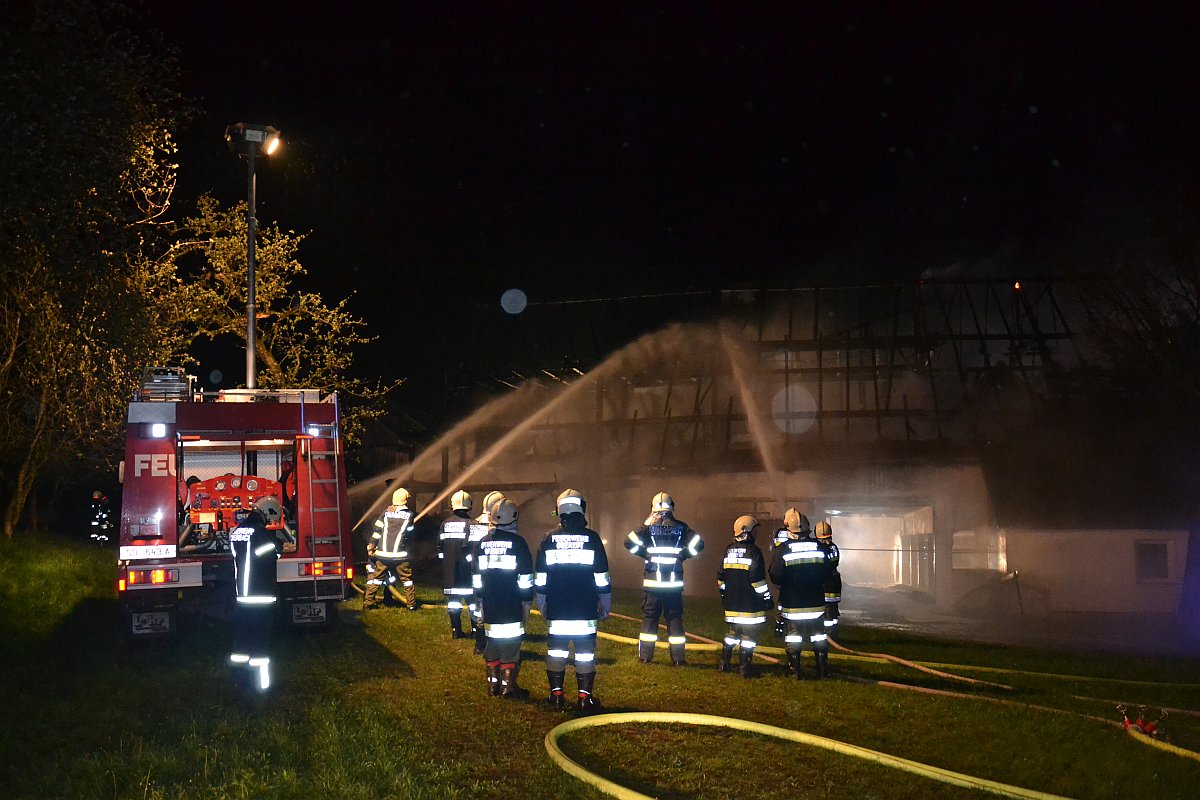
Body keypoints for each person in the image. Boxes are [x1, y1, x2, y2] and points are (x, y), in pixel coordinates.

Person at [535, 489, 611, 712]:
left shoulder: (548, 539)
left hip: (557, 608)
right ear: (582, 509)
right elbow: (602, 577)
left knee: (556, 652)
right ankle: (584, 698)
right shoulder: (593, 539)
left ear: (560, 512)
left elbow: (541, 577)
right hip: (585, 609)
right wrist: (605, 604)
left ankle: (556, 695)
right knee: (585, 654)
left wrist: (542, 603)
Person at [624, 491, 703, 665]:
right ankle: (678, 659)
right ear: (672, 507)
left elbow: (629, 542)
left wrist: (645, 553)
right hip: (673, 585)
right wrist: (684, 555)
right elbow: (699, 543)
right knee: (674, 620)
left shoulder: (649, 529)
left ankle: (645, 657)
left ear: (653, 509)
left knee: (649, 621)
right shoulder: (681, 527)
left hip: (653, 585)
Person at [472, 497, 534, 698]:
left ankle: (492, 686)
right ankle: (508, 687)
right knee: (511, 645)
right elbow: (525, 578)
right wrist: (526, 603)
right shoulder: (519, 543)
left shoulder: (482, 544)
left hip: (489, 603)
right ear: (515, 517)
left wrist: (480, 601)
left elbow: (476, 577)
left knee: (492, 644)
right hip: (512, 603)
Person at [229, 496, 289, 692]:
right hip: (260, 597)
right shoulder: (260, 534)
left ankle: (238, 681)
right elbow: (270, 554)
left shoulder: (238, 532)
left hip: (242, 597)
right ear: (268, 512)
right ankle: (262, 686)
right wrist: (279, 545)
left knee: (241, 642)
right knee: (260, 646)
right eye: (271, 519)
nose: (270, 524)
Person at [769, 507, 834, 680]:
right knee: (819, 636)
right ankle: (822, 670)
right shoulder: (819, 547)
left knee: (794, 637)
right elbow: (828, 572)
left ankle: (794, 672)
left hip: (793, 604)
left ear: (789, 529)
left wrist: (787, 585)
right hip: (816, 603)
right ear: (807, 529)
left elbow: (775, 575)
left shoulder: (783, 549)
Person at [717, 515, 771, 678]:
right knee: (748, 637)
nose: (757, 534)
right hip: (750, 606)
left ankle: (723, 663)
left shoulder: (728, 550)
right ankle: (744, 668)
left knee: (732, 635)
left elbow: (721, 578)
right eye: (755, 531)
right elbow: (757, 580)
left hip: (732, 606)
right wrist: (767, 597)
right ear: (747, 532)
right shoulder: (754, 552)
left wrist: (725, 594)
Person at [365, 488, 417, 610]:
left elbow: (377, 532)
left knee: (376, 579)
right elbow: (409, 534)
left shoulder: (385, 513)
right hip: (400, 556)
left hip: (382, 555)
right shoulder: (409, 515)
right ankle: (411, 605)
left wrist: (372, 545)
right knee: (407, 580)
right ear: (406, 501)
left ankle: (368, 603)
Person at [468, 490, 504, 654]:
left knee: (479, 608)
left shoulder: (475, 524)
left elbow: (470, 550)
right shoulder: (499, 526)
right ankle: (492, 642)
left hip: (478, 573)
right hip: (495, 574)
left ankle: (479, 643)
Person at [439, 489, 476, 638]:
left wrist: (446, 562)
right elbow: (474, 549)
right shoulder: (472, 524)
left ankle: (456, 630)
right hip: (468, 573)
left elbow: (440, 547)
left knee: (453, 602)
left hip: (450, 572)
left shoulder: (444, 524)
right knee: (473, 603)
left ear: (452, 505)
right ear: (469, 505)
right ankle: (475, 630)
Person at [815, 520, 842, 641]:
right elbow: (835, 563)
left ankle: (827, 636)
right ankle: (833, 635)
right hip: (834, 584)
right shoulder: (834, 547)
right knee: (833, 611)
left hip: (825, 584)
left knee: (825, 611)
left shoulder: (819, 548)